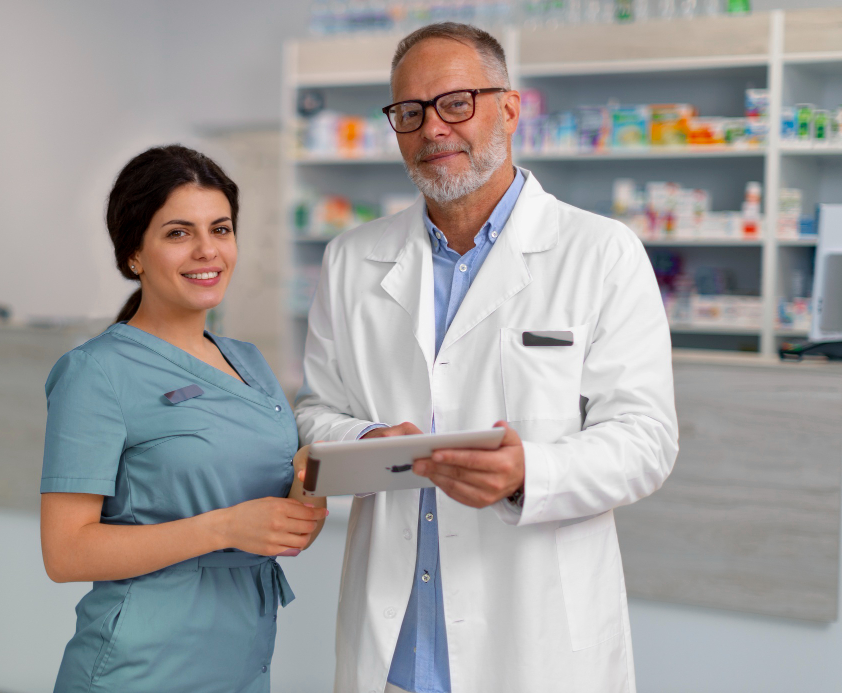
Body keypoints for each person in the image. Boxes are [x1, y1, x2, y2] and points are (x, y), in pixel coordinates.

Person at [295, 23, 678, 693]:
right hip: (397, 642)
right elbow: (317, 411)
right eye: (409, 113)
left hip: (537, 641)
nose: (432, 129)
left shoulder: (600, 252)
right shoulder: (352, 260)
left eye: (455, 102)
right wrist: (364, 440)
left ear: (509, 107)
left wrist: (532, 469)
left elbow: (645, 439)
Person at [40, 144, 328, 693]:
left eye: (220, 229)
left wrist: (313, 482)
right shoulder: (96, 372)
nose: (207, 251)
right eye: (178, 233)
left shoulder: (250, 363)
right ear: (134, 255)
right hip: (141, 668)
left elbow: (280, 531)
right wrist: (223, 527)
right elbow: (65, 551)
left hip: (244, 662)